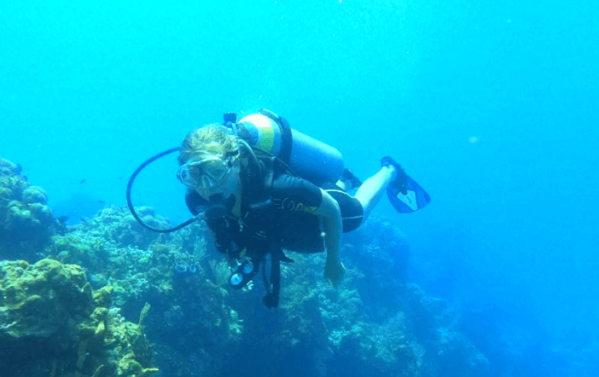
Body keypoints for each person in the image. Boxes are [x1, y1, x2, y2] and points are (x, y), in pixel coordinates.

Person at [176, 111, 429, 307]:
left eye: (216, 172)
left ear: (235, 163)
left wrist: (333, 260)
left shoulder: (278, 186)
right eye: (193, 176)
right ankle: (346, 182)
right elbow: (220, 226)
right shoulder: (197, 199)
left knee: (355, 216)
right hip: (284, 219)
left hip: (315, 208)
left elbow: (331, 210)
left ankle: (389, 170)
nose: (207, 187)